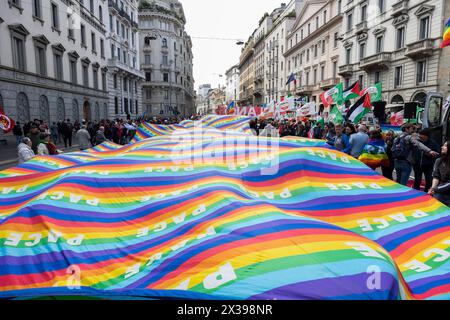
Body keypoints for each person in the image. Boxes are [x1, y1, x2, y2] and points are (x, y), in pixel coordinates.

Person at [429, 140, 450, 206]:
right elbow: (436, 176)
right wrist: (432, 188)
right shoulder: (438, 161)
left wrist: (436, 189)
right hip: (439, 193)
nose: (442, 147)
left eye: (445, 146)